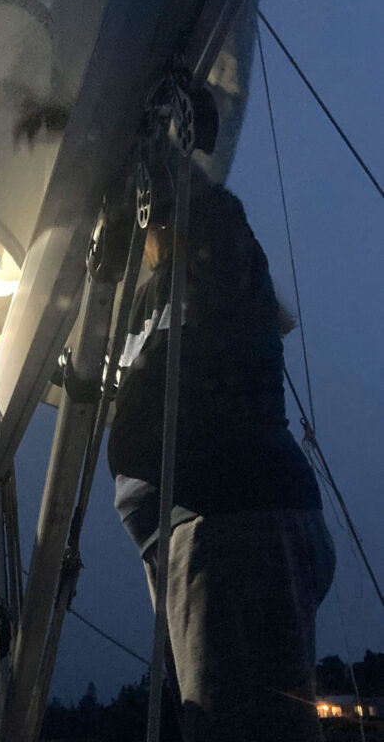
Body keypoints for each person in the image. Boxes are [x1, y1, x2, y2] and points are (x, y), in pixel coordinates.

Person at [107, 169, 335, 741]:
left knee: (237, 728)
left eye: (151, 228)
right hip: (245, 528)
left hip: (231, 536)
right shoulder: (211, 304)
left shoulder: (207, 280)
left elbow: (148, 393)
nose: (145, 244)